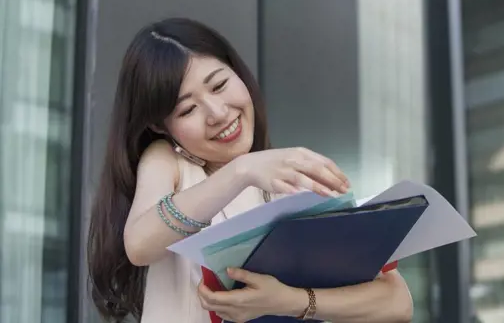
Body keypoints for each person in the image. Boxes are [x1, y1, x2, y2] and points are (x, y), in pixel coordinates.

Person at [87, 18, 414, 323]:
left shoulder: (292, 183)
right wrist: (241, 171)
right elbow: (140, 245)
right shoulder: (169, 161)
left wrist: (292, 301)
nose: (216, 112)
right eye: (187, 109)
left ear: (237, 72)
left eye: (218, 86)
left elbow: (397, 302)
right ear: (160, 125)